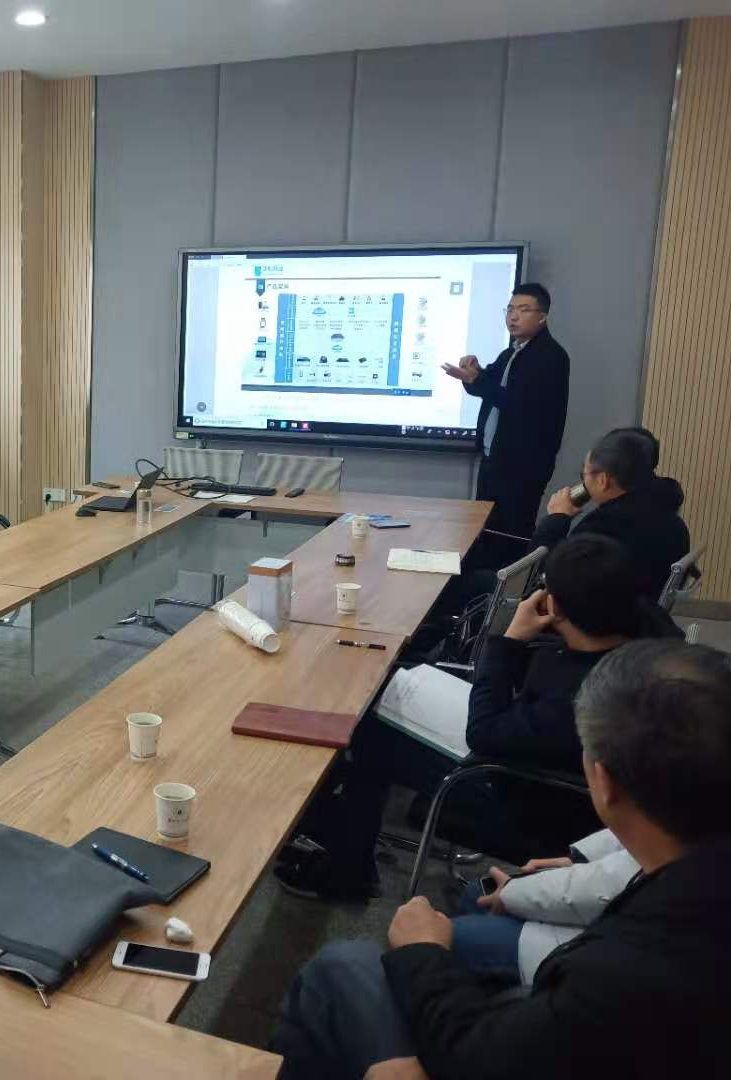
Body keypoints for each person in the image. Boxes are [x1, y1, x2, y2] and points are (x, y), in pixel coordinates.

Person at [273, 638, 731, 1079]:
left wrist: (423, 953)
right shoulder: (690, 874)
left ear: (603, 781)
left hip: (507, 1039)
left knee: (341, 965)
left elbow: (482, 1055)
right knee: (472, 903)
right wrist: (579, 861)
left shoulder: (625, 972)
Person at [277, 535, 664, 901]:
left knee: (369, 731)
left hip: (526, 797)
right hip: (537, 757)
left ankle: (345, 868)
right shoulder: (642, 638)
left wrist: (507, 642)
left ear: (555, 606)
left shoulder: (585, 695)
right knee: (390, 690)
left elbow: (484, 735)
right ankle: (339, 839)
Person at [442, 282, 568, 552]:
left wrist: (478, 380)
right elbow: (487, 388)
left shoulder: (551, 357)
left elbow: (519, 404)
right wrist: (473, 373)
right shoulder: (511, 352)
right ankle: (484, 579)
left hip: (522, 465)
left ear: (542, 317)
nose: (513, 316)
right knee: (485, 533)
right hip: (494, 459)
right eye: (510, 309)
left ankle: (503, 579)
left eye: (523, 310)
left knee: (509, 537)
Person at [448, 827, 639, 986]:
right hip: (596, 906)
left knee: (445, 937)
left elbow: (603, 888)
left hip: (601, 946)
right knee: (476, 893)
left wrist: (510, 893)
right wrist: (581, 859)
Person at [534, 426, 690, 602]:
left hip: (602, 616)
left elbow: (547, 581)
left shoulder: (603, 527)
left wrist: (556, 519)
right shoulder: (671, 519)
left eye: (584, 475)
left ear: (602, 480)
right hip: (644, 614)